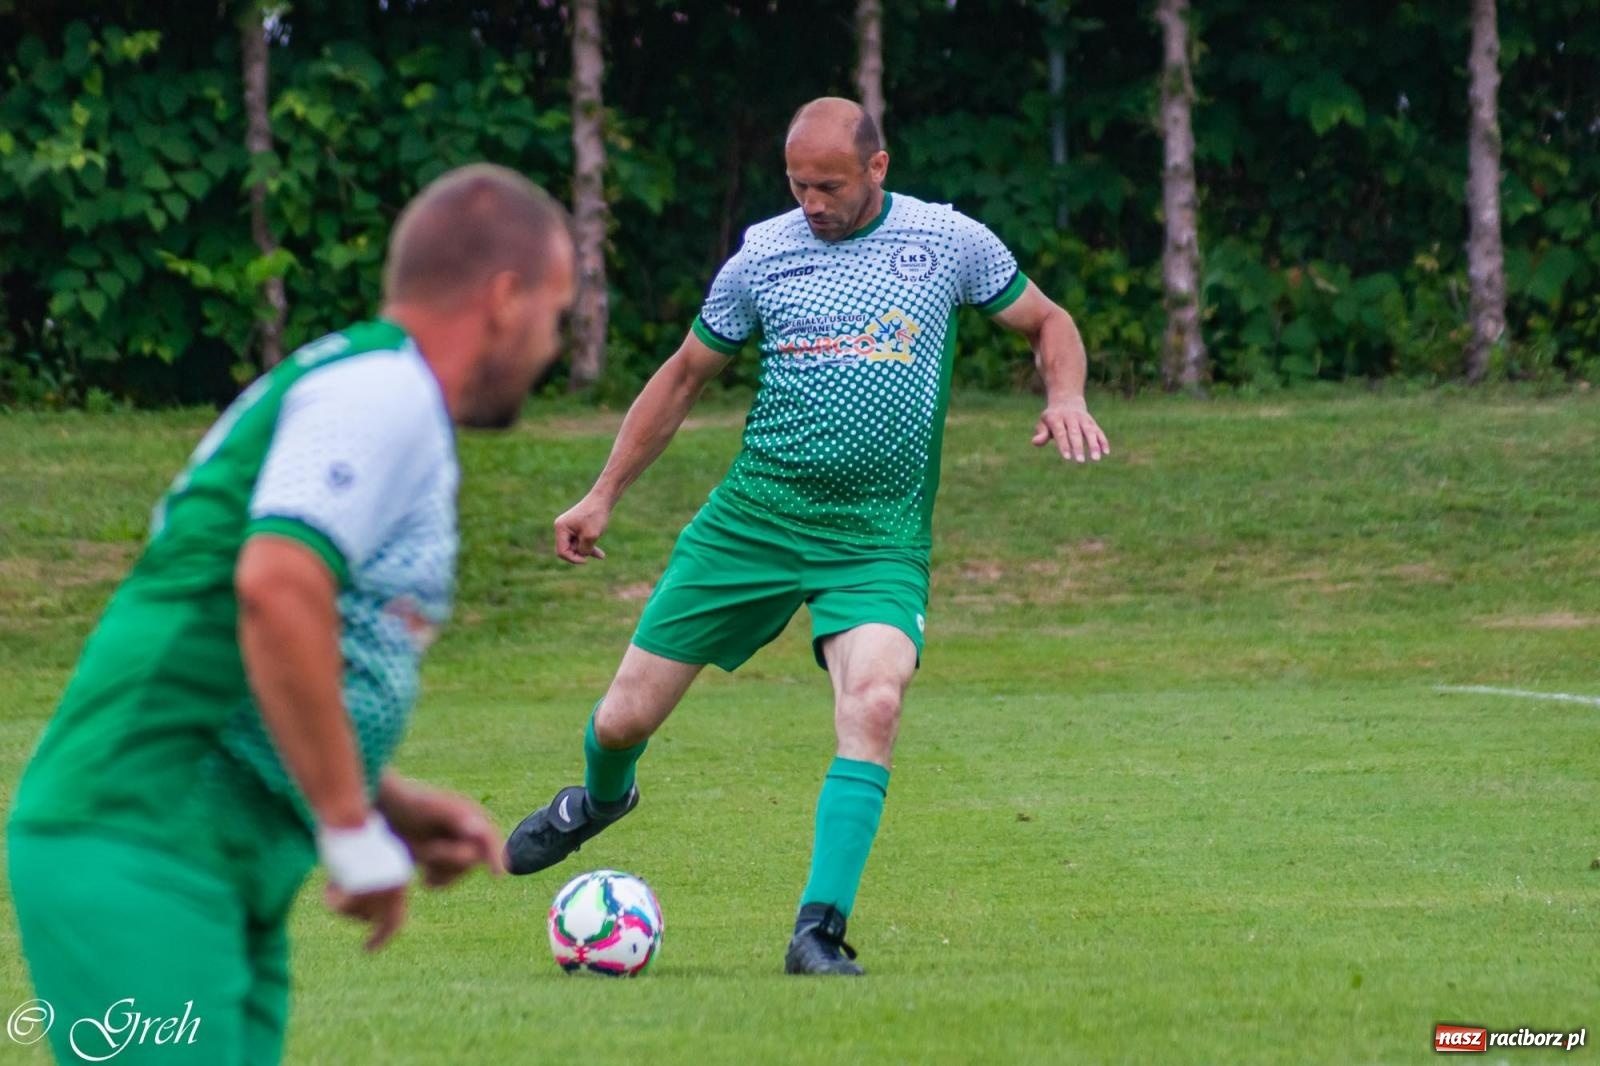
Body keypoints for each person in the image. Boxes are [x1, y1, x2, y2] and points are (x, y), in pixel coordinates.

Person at [505, 98, 1110, 976]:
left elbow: (1048, 321)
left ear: (878, 168)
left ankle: (816, 932)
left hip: (877, 540)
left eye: (829, 185)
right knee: (621, 717)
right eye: (798, 185)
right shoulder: (765, 253)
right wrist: (602, 495)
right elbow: (681, 379)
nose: (813, 202)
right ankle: (598, 802)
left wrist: (1065, 395)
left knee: (875, 704)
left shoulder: (946, 242)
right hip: (753, 522)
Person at [7, 163, 575, 1064]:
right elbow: (276, 588)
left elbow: (273, 644)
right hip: (140, 839)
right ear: (505, 299)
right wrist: (350, 827)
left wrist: (383, 800)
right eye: (557, 313)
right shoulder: (381, 391)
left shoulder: (375, 392)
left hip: (215, 863)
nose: (552, 346)